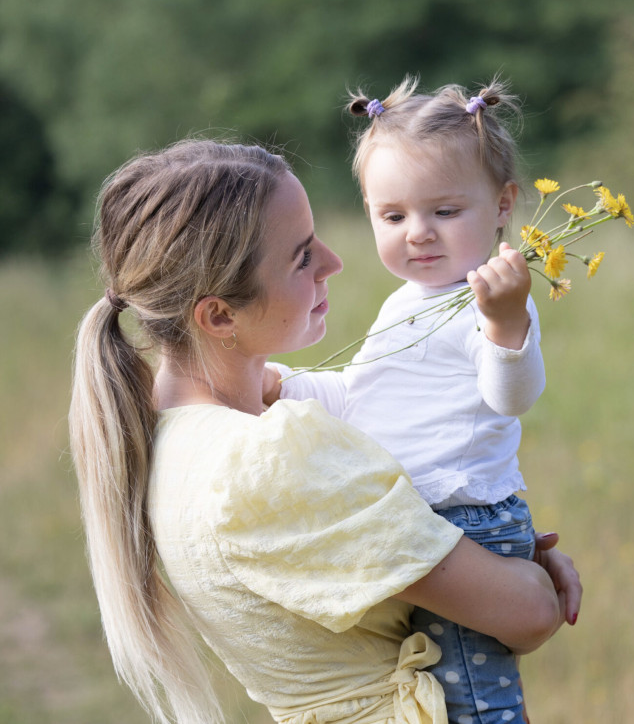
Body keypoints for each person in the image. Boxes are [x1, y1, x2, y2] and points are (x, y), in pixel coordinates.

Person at [68, 138, 581, 724]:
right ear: (218, 316)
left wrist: (500, 559)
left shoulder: (165, 439)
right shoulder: (267, 456)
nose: (333, 263)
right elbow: (531, 612)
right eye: (302, 256)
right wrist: (523, 572)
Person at [269, 76, 555, 724]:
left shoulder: (487, 299)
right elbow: (360, 398)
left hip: (464, 523)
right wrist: (283, 383)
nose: (418, 233)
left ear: (503, 203)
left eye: (445, 212)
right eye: (393, 216)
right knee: (431, 690)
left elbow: (511, 397)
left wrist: (508, 324)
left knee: (476, 704)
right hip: (423, 523)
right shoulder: (405, 301)